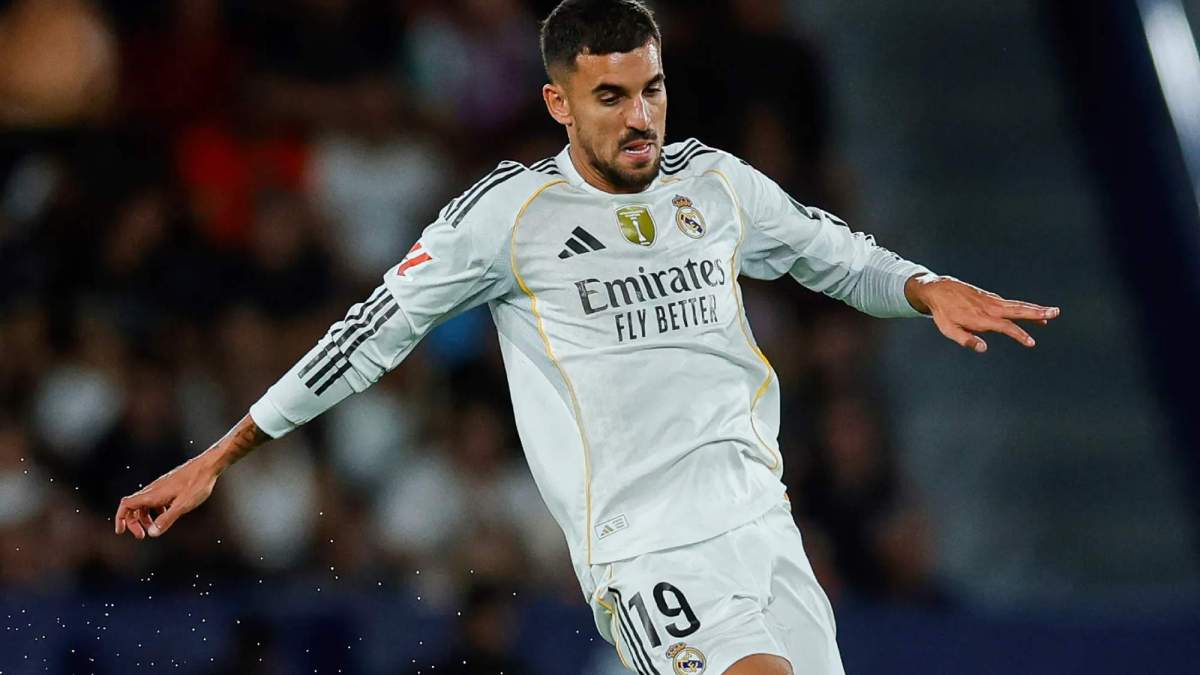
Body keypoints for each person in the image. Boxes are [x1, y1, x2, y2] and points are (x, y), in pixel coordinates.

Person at [113, 2, 1060, 674]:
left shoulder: (713, 183)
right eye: (611, 96)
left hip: (764, 525)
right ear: (558, 104)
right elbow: (370, 334)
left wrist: (923, 286)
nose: (640, 117)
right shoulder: (508, 215)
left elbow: (831, 254)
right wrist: (222, 452)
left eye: (652, 89)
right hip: (648, 548)